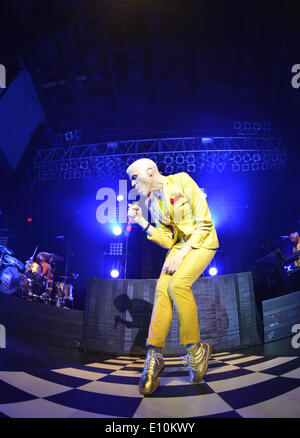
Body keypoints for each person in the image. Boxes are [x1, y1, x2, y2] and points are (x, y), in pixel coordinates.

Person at [126, 158, 219, 395]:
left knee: (177, 285)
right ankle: (154, 356)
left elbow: (205, 222)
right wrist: (142, 223)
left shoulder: (182, 180)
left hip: (202, 241)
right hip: (178, 248)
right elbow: (169, 240)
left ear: (150, 171)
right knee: (162, 289)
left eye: (135, 178)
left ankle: (195, 351)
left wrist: (184, 251)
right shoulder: (154, 203)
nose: (133, 184)